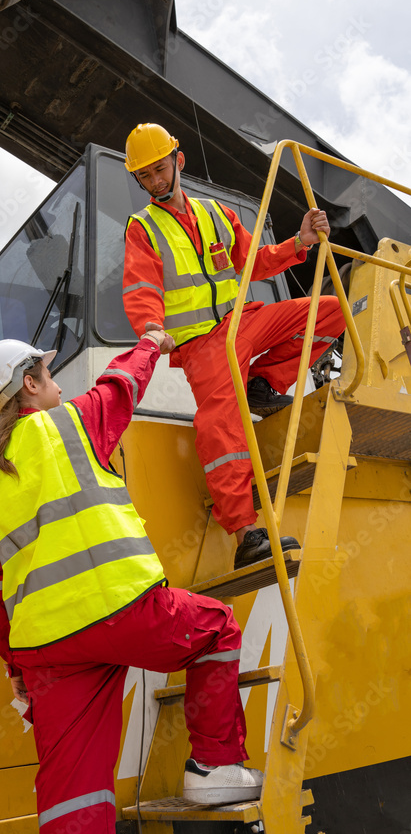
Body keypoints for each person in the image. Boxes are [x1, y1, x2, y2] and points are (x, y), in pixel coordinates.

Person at [0, 335, 263, 834]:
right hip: (121, 607)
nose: (59, 383)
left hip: (46, 647)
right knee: (217, 628)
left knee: (72, 790)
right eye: (49, 374)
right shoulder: (72, 423)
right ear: (30, 384)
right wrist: (152, 342)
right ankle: (212, 768)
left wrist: (16, 669)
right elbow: (122, 384)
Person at [122, 123, 346, 568]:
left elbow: (255, 263)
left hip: (244, 322)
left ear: (178, 162)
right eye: (145, 176)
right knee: (220, 426)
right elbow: (140, 287)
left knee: (333, 308)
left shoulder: (217, 214)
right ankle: (247, 534)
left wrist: (299, 241)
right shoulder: (141, 228)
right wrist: (151, 328)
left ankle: (263, 383)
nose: (155, 181)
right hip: (203, 345)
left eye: (160, 169)